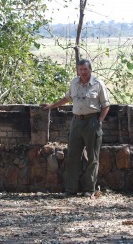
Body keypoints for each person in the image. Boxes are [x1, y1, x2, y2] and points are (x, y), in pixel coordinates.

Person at [41, 59, 110, 197]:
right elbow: (67, 98)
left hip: (92, 122)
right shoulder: (74, 82)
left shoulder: (98, 84)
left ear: (90, 69)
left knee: (92, 157)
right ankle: (71, 189)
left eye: (85, 69)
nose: (83, 72)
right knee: (72, 156)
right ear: (77, 70)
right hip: (76, 122)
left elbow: (106, 105)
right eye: (80, 69)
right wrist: (51, 106)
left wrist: (99, 121)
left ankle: (89, 189)